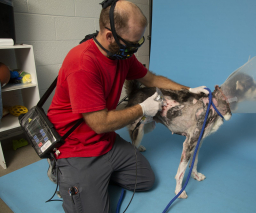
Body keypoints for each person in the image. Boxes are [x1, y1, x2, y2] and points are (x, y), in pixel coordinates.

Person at [47, 0, 209, 212]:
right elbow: (99, 123)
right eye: (131, 44)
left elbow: (151, 79)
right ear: (109, 36)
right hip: (75, 147)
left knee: (145, 181)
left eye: (138, 42)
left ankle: (98, 177)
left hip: (104, 140)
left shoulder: (121, 55)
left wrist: (188, 90)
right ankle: (61, 171)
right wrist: (143, 109)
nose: (134, 50)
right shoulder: (82, 64)